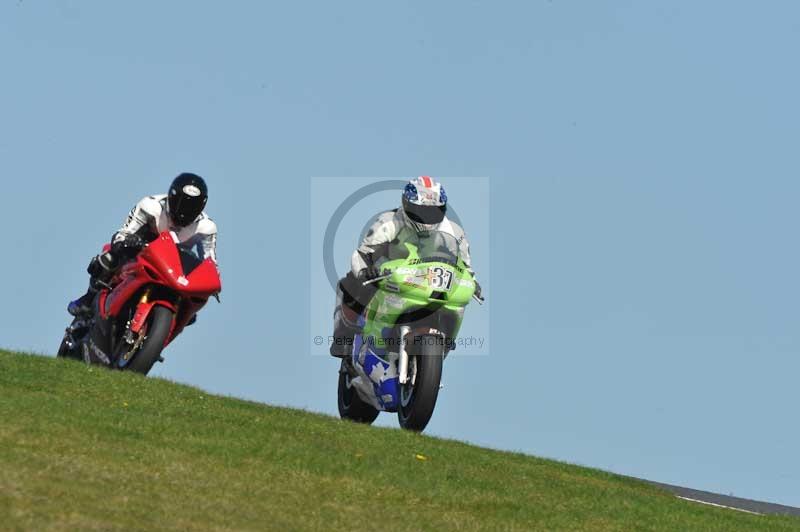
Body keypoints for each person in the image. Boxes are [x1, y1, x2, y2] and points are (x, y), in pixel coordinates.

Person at [330, 176, 481, 357]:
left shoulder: (454, 232)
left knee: (457, 300)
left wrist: (474, 283)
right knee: (350, 284)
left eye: (433, 211)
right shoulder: (388, 222)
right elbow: (363, 253)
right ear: (407, 205)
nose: (426, 217)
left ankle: (442, 342)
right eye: (420, 211)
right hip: (389, 277)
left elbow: (465, 266)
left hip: (430, 283)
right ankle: (343, 337)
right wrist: (364, 271)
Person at [67, 173, 218, 317]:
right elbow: (126, 231)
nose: (184, 210)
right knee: (109, 258)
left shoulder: (206, 227)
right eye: (181, 203)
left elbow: (209, 261)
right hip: (141, 250)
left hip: (175, 268)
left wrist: (210, 282)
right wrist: (124, 241)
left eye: (191, 206)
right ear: (172, 197)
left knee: (192, 307)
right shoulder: (150, 206)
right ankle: (88, 299)